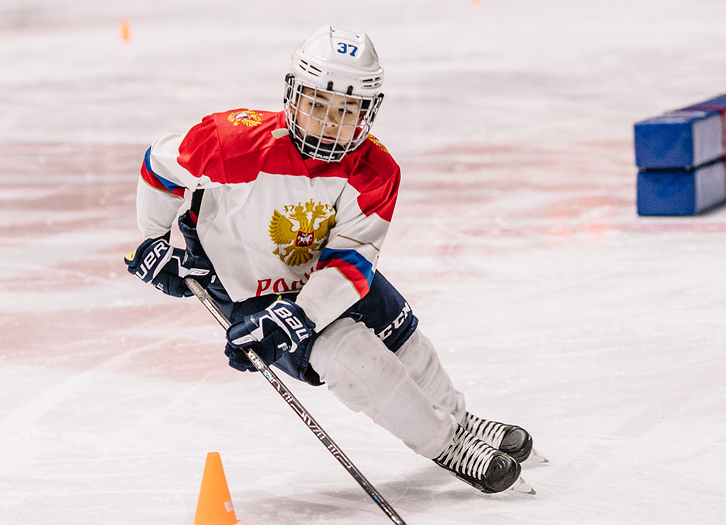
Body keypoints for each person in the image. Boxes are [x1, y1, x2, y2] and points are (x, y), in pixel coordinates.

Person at [124, 25, 541, 494]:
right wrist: (152, 241)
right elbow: (160, 165)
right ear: (293, 95)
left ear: (369, 112)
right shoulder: (230, 142)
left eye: (347, 111)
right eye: (318, 104)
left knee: (403, 337)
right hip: (248, 286)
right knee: (353, 358)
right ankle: (446, 443)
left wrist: (299, 317)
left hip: (324, 273)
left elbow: (350, 262)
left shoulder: (376, 170)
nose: (328, 123)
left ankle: (460, 421)